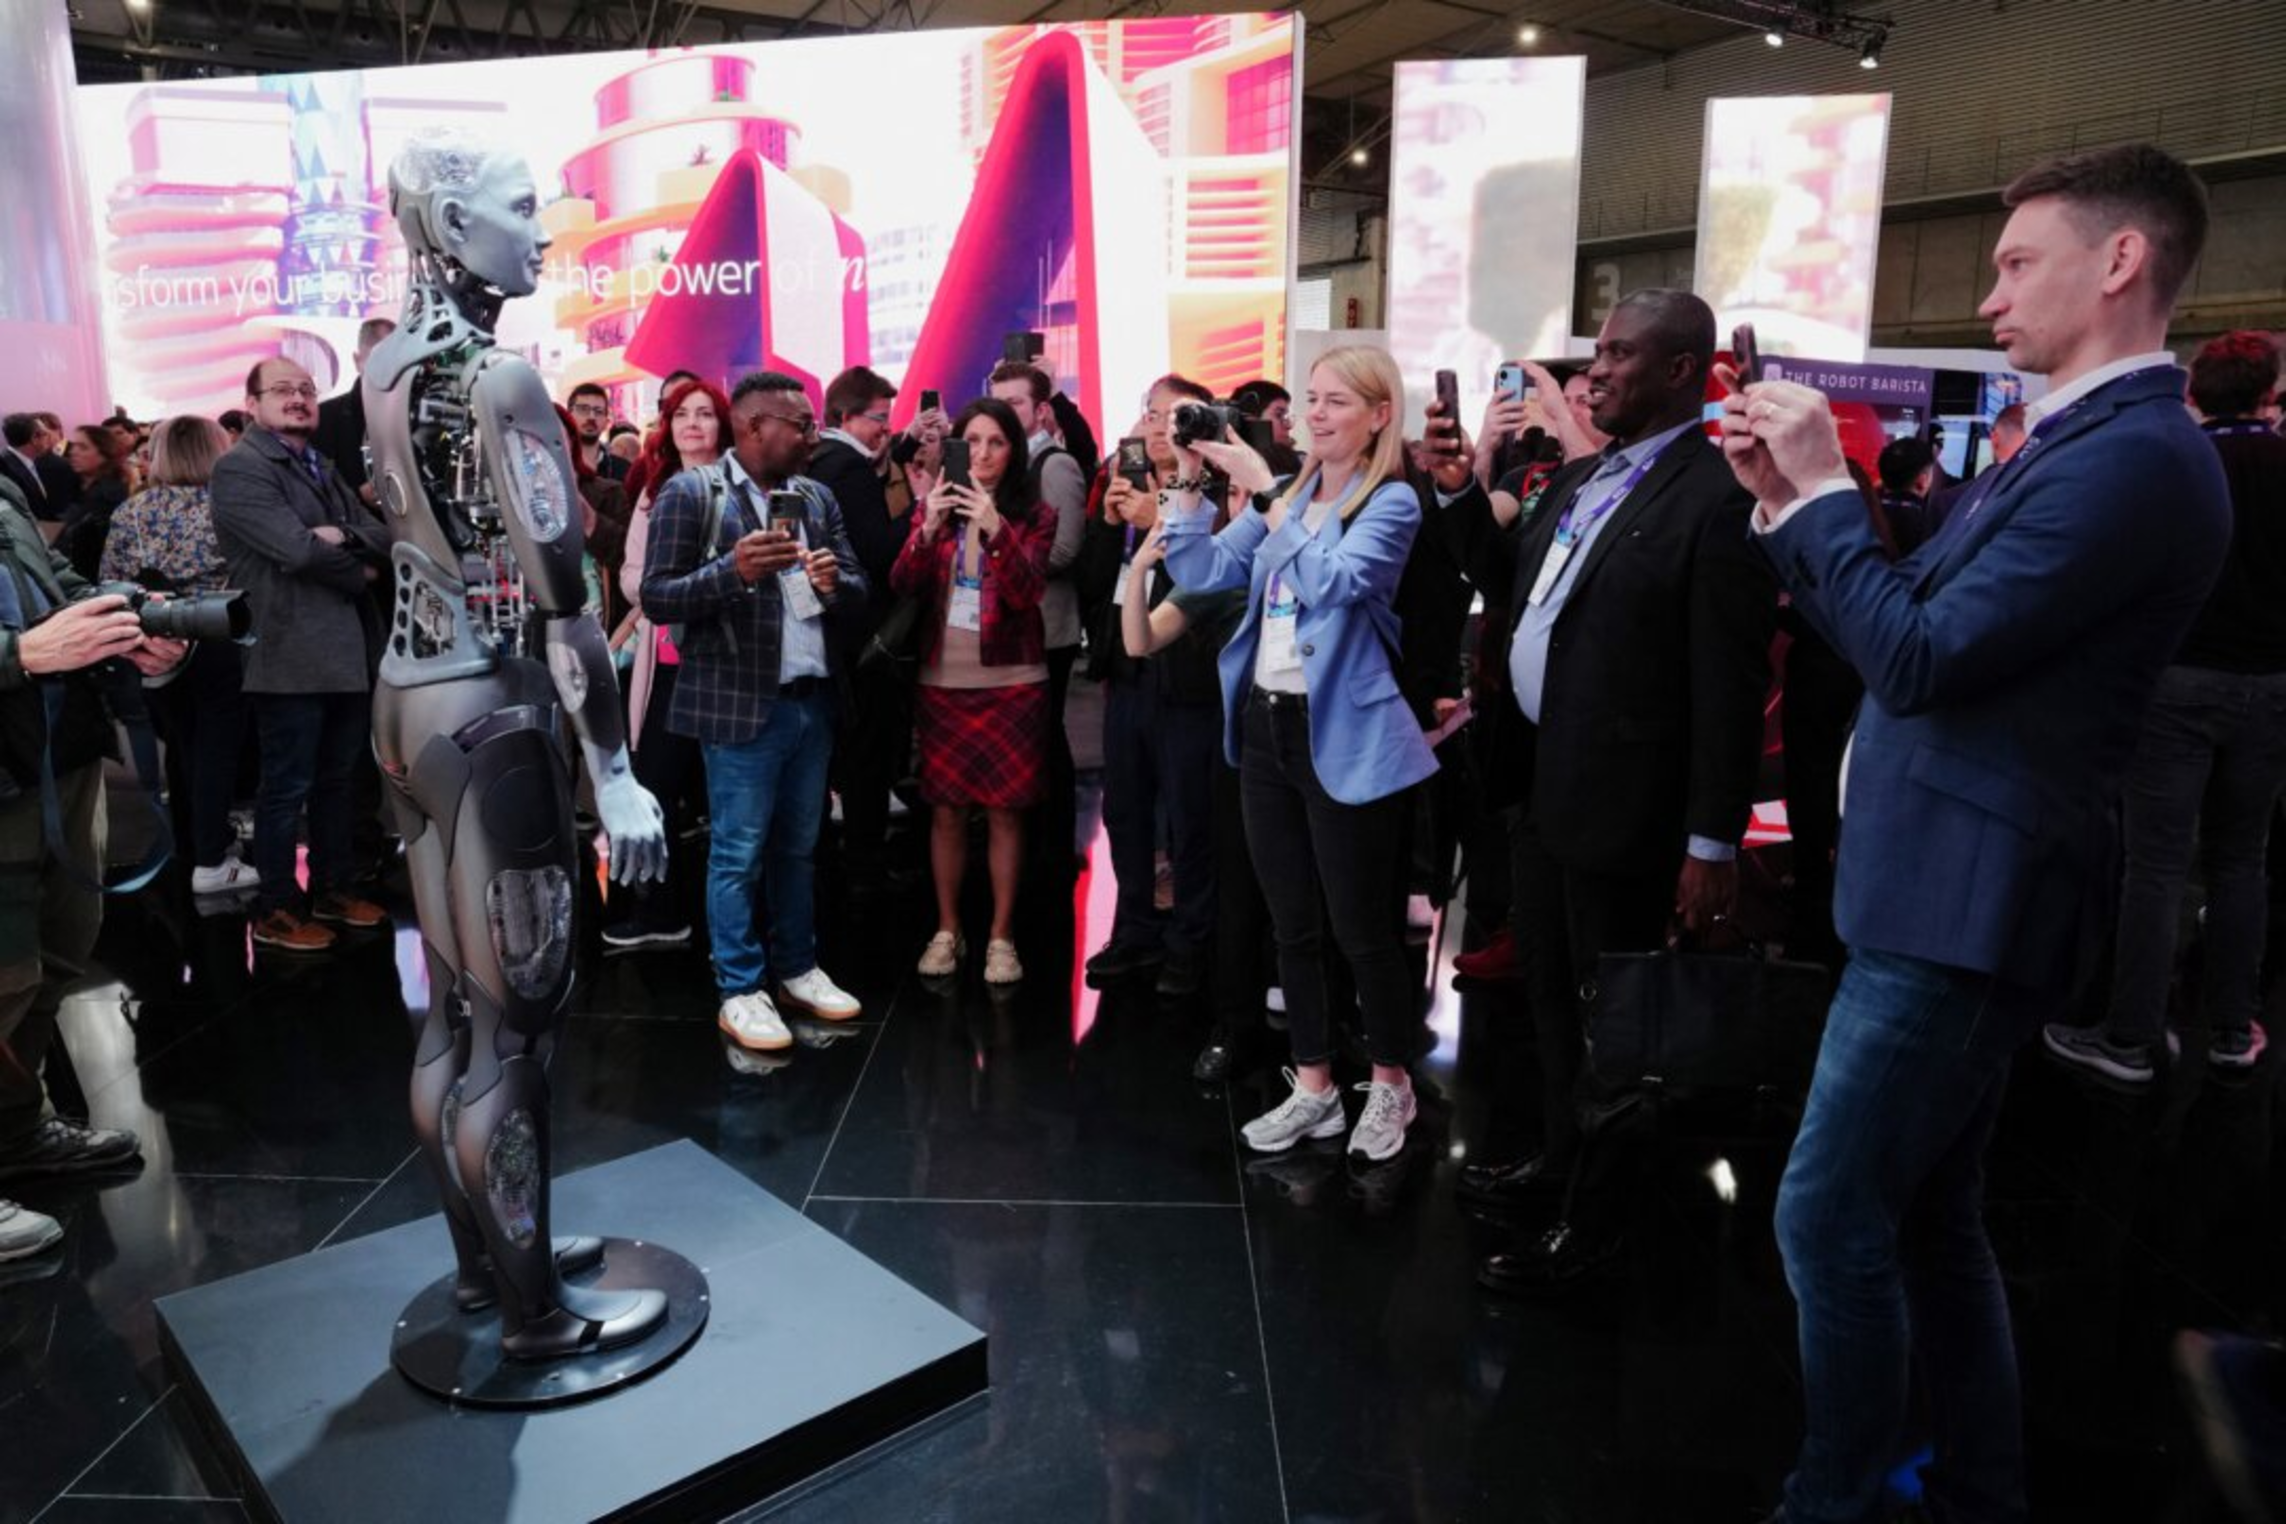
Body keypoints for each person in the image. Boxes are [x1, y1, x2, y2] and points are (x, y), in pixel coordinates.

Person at [1722, 143, 2228, 1524]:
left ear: (2118, 260)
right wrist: (1791, 500)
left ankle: (1834, 1500)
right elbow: (1909, 623)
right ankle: (1976, 1488)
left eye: (2014, 263)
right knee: (1931, 1216)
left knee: (1829, 1213)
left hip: (1970, 898)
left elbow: (1917, 657)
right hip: (1942, 881)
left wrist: (1825, 495)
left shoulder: (2136, 459)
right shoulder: (2076, 442)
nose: (1989, 295)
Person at [1432, 291, 1775, 1287]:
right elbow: (1508, 582)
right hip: (1543, 783)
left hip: (1628, 806)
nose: (1595, 373)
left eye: (1621, 355)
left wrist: (1711, 842)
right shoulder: (1583, 478)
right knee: (1547, 994)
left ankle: (1599, 1232)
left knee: (1611, 1022)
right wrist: (1457, 493)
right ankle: (1560, 1164)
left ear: (1681, 371)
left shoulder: (1714, 496)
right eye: (1599, 353)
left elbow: (1729, 684)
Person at [1161, 343, 1439, 1164]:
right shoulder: (1288, 493)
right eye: (1311, 399)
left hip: (1343, 729)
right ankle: (1314, 1085)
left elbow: (1335, 585)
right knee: (1292, 923)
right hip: (1266, 724)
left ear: (1380, 416)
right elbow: (1201, 569)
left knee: (1361, 927)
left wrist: (1265, 494)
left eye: (1336, 402)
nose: (1315, 415)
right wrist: (1187, 483)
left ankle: (1391, 1082)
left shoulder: (1391, 501)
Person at [2044, 330, 2286, 1084]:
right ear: (2269, 394)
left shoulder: (2178, 463)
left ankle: (2131, 1039)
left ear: (2194, 393)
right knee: (2242, 861)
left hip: (2174, 684)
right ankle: (2231, 1029)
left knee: (2155, 866)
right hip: (2270, 688)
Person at [641, 371, 869, 1050]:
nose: (813, 436)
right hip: (741, 709)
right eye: (801, 424)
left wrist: (833, 582)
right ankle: (740, 987)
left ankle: (797, 967)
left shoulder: (817, 496)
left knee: (799, 848)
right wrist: (732, 572)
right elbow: (656, 596)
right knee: (737, 854)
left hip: (811, 703)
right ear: (753, 426)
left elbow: (859, 585)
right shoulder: (692, 493)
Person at [0, 480, 183, 1261]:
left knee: (55, 958)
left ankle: (16, 1132)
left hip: (55, 756)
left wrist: (127, 620)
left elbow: (55, 582)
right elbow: (29, 634)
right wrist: (19, 653)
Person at [211, 356, 393, 952]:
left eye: (307, 389)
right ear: (253, 404)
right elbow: (295, 551)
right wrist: (360, 571)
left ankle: (334, 887)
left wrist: (345, 536)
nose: (298, 398)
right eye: (283, 390)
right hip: (288, 652)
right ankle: (276, 907)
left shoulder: (319, 464)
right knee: (286, 787)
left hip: (345, 652)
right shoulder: (240, 468)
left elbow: (384, 534)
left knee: (338, 781)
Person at [892, 398, 1057, 985]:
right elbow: (902, 583)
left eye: (997, 442)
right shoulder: (933, 505)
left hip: (1013, 682)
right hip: (942, 680)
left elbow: (1026, 592)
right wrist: (927, 526)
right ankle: (947, 928)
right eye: (973, 441)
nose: (983, 454)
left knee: (1007, 812)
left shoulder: (1034, 514)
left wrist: (994, 528)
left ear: (1014, 452)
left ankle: (1001, 936)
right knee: (946, 811)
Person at [1077, 373, 1221, 993]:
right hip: (1128, 672)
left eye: (1172, 416)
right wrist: (1112, 523)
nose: (1157, 426)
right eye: (1150, 412)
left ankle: (1192, 942)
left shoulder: (1215, 490)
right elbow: (1092, 583)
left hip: (1189, 678)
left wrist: (1156, 514)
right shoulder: (1124, 481)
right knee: (1126, 811)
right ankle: (1134, 929)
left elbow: (1215, 572)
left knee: (1191, 816)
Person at [99, 414, 254, 896]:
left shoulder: (131, 511)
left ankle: (190, 846)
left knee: (184, 749)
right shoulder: (230, 506)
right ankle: (212, 858)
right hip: (217, 637)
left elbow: (109, 580)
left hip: (154, 642)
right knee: (216, 752)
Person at [607, 377, 732, 951]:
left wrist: (682, 586)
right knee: (654, 785)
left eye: (704, 413)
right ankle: (659, 909)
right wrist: (675, 588)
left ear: (722, 425)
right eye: (682, 414)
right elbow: (632, 576)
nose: (692, 424)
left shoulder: (740, 486)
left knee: (724, 793)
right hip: (665, 665)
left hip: (727, 663)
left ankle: (731, 919)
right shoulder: (653, 491)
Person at [811, 364, 920, 895]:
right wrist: (922, 511)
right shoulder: (849, 470)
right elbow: (877, 551)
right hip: (862, 637)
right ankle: (866, 869)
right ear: (846, 416)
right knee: (866, 760)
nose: (886, 429)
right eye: (879, 418)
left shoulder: (819, 462)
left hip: (830, 633)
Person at [988, 362, 1088, 879]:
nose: (1005, 412)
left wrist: (999, 556)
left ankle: (1056, 851)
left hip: (1049, 624)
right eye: (999, 402)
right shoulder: (1010, 463)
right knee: (1024, 742)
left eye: (1016, 403)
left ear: (1041, 409)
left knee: (1045, 741)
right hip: (1017, 622)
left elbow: (1067, 549)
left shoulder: (1054, 465)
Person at [313, 316, 395, 504]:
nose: (390, 371)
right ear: (357, 361)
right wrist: (357, 496)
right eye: (380, 360)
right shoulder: (324, 418)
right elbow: (312, 492)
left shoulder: (418, 413)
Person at [55, 425, 135, 582]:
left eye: (83, 447)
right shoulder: (77, 484)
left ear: (105, 454)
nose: (73, 452)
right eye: (74, 445)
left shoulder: (108, 494)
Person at [566, 380, 630, 483]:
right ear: (568, 415)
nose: (591, 417)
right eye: (583, 409)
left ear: (606, 421)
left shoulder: (623, 470)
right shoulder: (555, 465)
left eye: (598, 411)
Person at [0, 416, 54, 522]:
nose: (49, 437)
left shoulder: (35, 461)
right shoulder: (5, 468)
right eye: (45, 434)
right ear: (34, 439)